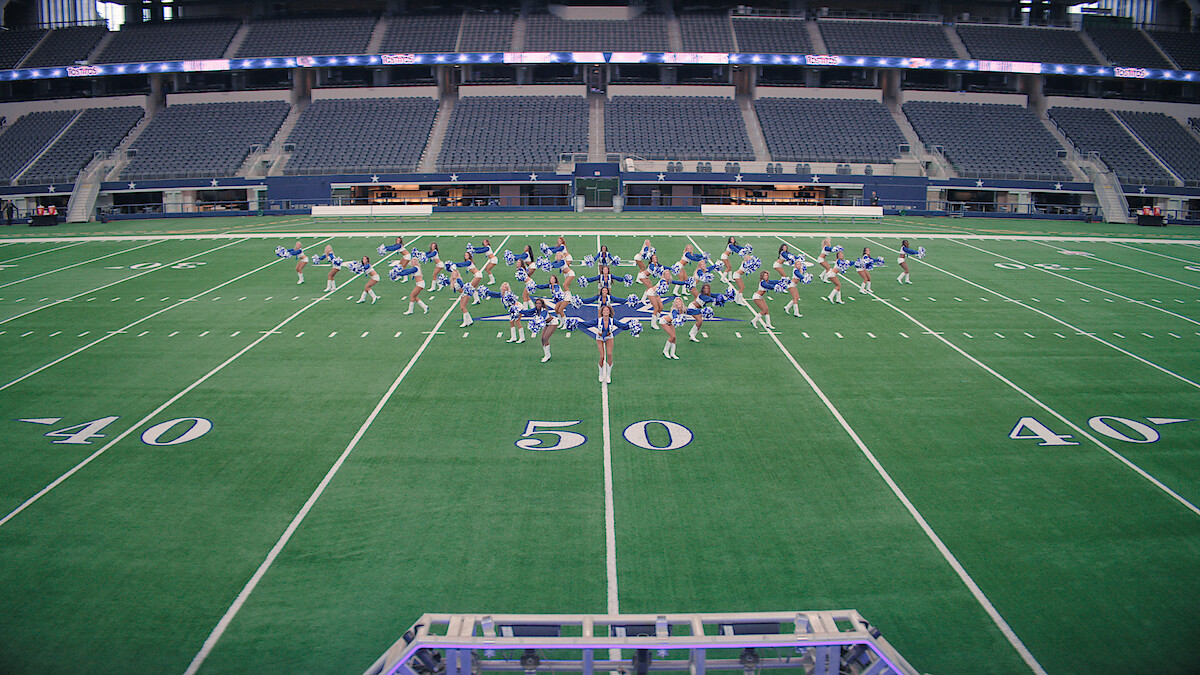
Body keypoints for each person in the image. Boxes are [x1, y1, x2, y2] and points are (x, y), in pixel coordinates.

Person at [567, 304, 642, 381]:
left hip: (609, 337)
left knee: (609, 354)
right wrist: (576, 323)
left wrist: (631, 326)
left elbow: (622, 326)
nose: (606, 311)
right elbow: (587, 324)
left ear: (609, 312)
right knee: (602, 356)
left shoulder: (612, 320)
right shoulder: (598, 320)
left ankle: (608, 375)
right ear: (602, 312)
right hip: (600, 338)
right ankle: (601, 374)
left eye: (607, 310)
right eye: (604, 310)